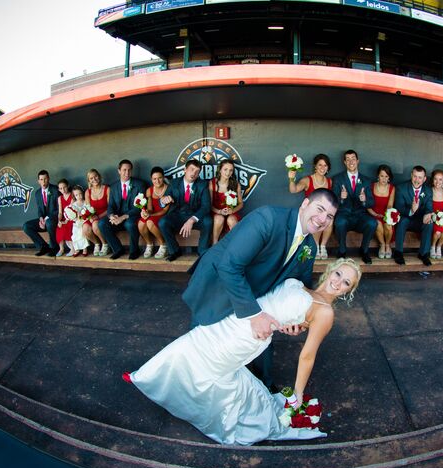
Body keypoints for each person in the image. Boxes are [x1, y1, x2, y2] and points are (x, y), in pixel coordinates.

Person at [124, 258, 361, 446]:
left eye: (346, 282)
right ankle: (151, 376)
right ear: (330, 270)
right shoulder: (305, 287)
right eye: (339, 274)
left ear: (348, 291)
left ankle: (150, 379)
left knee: (202, 358)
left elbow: (308, 354)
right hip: (242, 317)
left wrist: (298, 395)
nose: (338, 282)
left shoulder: (325, 312)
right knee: (194, 342)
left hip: (248, 336)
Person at [183, 188, 339, 391]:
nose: (322, 219)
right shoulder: (268, 218)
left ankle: (264, 387)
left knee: (263, 337)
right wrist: (255, 315)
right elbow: (229, 266)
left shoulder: (308, 246)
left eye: (329, 216)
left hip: (256, 289)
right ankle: (192, 386)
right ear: (305, 204)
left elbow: (299, 284)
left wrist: (296, 319)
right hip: (217, 284)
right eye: (319, 209)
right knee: (203, 342)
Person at [159, 159, 213, 261]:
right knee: (163, 222)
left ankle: (202, 251)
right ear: (185, 170)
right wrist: (163, 200)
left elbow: (206, 206)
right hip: (178, 215)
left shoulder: (202, 184)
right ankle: (174, 251)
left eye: (197, 172)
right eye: (191, 169)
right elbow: (163, 200)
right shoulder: (174, 183)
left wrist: (192, 220)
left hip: (194, 216)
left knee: (208, 221)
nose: (193, 173)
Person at [330, 150, 376, 264]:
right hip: (344, 214)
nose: (351, 161)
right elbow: (333, 202)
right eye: (348, 159)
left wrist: (364, 200)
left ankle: (364, 250)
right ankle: (342, 250)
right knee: (339, 223)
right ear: (345, 162)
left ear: (357, 161)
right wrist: (341, 198)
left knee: (372, 223)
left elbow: (371, 202)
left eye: (353, 159)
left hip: (360, 216)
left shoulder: (366, 180)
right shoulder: (338, 179)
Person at [98, 160, 148, 260]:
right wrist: (111, 215)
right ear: (119, 171)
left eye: (129, 170)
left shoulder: (140, 184)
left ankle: (134, 250)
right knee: (102, 224)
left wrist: (124, 217)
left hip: (132, 215)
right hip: (117, 216)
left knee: (129, 224)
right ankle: (118, 249)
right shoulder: (113, 187)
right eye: (124, 170)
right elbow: (111, 205)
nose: (127, 173)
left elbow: (139, 207)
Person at [289, 154, 334, 259]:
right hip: (309, 212)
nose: (322, 168)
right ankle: (315, 246)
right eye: (320, 165)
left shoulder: (329, 182)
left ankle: (322, 246)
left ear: (328, 168)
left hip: (323, 211)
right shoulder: (307, 180)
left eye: (325, 165)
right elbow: (293, 190)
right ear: (315, 166)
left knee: (330, 219)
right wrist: (291, 179)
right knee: (318, 218)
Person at [393, 165, 433, 266]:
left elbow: (429, 207)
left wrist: (427, 214)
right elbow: (399, 208)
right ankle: (398, 253)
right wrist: (411, 210)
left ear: (424, 179)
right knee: (402, 221)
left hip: (420, 220)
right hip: (406, 217)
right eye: (415, 176)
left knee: (429, 223)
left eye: (420, 177)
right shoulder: (401, 188)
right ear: (411, 175)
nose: (417, 180)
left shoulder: (428, 190)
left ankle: (423, 254)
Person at [22, 170, 60, 257]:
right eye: (41, 179)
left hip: (54, 220)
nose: (43, 181)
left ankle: (54, 247)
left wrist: (45, 219)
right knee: (26, 226)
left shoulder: (55, 190)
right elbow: (39, 209)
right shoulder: (37, 193)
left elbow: (58, 210)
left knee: (49, 222)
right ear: (38, 181)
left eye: (45, 179)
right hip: (44, 220)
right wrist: (40, 218)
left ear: (49, 179)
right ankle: (43, 246)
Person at [137, 166, 170, 259]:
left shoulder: (168, 189)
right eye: (154, 179)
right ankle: (149, 244)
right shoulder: (149, 190)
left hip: (165, 215)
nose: (157, 181)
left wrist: (150, 215)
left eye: (160, 178)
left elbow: (165, 210)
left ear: (163, 177)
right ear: (151, 179)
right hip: (153, 214)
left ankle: (163, 245)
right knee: (140, 223)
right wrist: (146, 212)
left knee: (149, 222)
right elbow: (150, 208)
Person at [210, 159, 244, 245]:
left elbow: (241, 203)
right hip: (216, 212)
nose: (228, 173)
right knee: (219, 218)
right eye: (225, 169)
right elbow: (208, 204)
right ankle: (215, 244)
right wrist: (219, 211)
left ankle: (235, 245)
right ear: (220, 170)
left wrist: (232, 211)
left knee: (232, 219)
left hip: (231, 212)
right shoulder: (212, 183)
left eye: (231, 170)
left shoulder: (236, 184)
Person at [366, 164, 395, 259]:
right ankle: (382, 245)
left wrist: (387, 216)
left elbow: (390, 205)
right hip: (372, 213)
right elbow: (368, 205)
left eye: (386, 176)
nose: (384, 179)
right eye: (382, 176)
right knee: (378, 224)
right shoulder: (371, 186)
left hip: (386, 213)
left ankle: (387, 245)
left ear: (389, 177)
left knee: (388, 225)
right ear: (378, 176)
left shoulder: (392, 188)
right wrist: (374, 214)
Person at [83, 169, 110, 257]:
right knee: (85, 228)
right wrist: (90, 217)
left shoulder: (107, 189)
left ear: (99, 176)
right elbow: (87, 208)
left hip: (105, 214)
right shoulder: (88, 192)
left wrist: (98, 216)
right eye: (91, 178)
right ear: (89, 181)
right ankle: (97, 244)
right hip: (93, 215)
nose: (94, 179)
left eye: (95, 176)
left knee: (95, 225)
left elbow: (110, 208)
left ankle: (105, 244)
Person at [429, 169, 443, 259]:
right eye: (435, 179)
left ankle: (438, 247)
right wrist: (433, 217)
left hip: (441, 218)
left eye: (440, 179)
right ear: (432, 180)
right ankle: (432, 246)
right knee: (438, 232)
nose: (437, 182)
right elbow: (427, 207)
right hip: (431, 217)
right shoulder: (429, 191)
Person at [69, 185, 91, 257]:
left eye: (80, 194)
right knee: (75, 234)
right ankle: (77, 248)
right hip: (77, 222)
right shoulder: (74, 204)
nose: (79, 196)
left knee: (82, 232)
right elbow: (72, 213)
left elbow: (88, 211)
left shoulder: (85, 202)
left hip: (84, 221)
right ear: (74, 196)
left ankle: (85, 248)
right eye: (76, 195)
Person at [55, 179, 73, 256]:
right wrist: (59, 221)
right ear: (59, 189)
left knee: (67, 226)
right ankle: (61, 249)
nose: (63, 190)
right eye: (61, 188)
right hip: (64, 218)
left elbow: (72, 210)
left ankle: (72, 248)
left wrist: (66, 221)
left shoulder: (72, 195)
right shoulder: (60, 198)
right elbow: (60, 212)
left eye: (64, 187)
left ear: (68, 186)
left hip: (72, 217)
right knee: (59, 227)